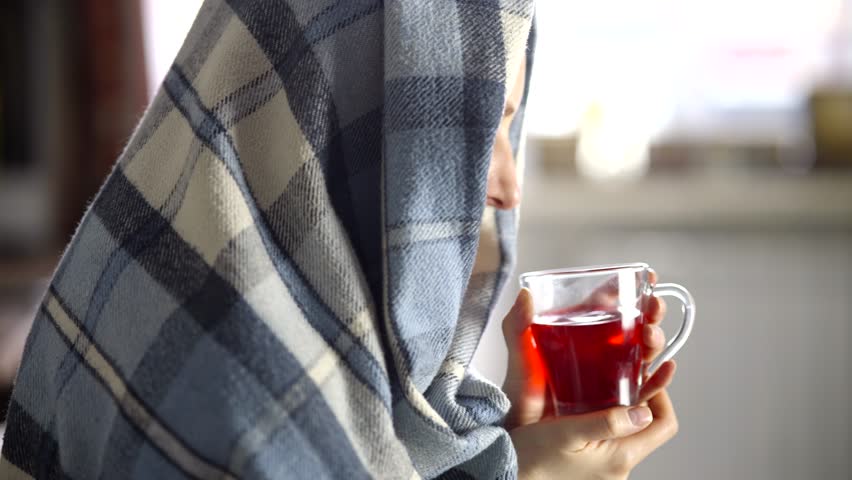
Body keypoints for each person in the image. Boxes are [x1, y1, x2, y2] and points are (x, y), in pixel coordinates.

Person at [1, 1, 677, 478]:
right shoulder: (232, 381)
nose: (508, 185)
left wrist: (513, 453)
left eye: (509, 130)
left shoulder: (274, 306)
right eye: (476, 133)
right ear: (358, 117)